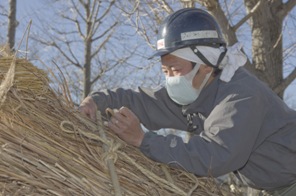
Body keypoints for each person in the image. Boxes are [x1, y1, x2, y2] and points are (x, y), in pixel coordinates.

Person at [79, 8, 296, 195]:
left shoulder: (241, 95)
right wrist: (97, 100)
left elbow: (214, 156)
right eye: (165, 70)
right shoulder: (196, 92)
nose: (171, 79)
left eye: (176, 69)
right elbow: (143, 101)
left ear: (206, 65)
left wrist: (143, 140)